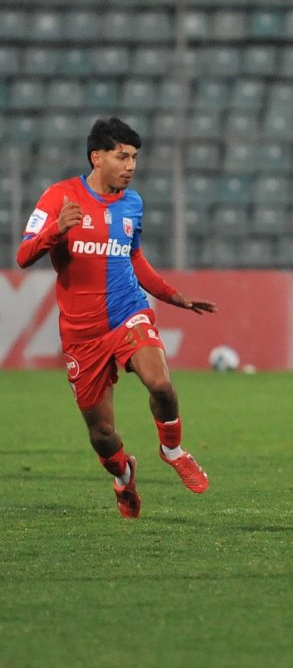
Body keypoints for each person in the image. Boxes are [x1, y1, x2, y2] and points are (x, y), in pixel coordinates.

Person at [17, 118, 215, 519]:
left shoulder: (132, 203)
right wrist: (56, 230)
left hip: (128, 312)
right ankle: (124, 476)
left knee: (161, 384)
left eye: (134, 158)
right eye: (122, 157)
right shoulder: (59, 197)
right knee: (103, 434)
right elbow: (24, 256)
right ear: (97, 157)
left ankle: (173, 450)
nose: (131, 166)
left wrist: (172, 296)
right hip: (82, 334)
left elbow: (134, 256)